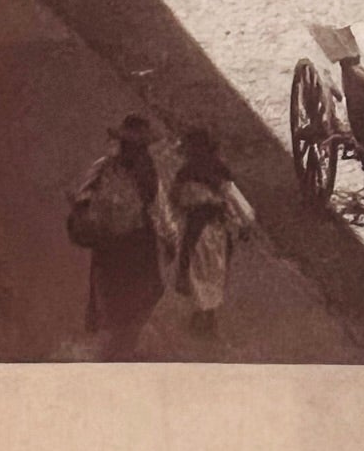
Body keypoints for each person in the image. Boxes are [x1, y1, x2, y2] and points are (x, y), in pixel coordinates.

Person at [72, 116, 177, 359]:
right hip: (139, 247)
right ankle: (122, 349)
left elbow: (82, 195)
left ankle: (117, 345)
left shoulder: (104, 166)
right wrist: (172, 240)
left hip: (109, 248)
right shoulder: (147, 173)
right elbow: (161, 212)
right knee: (142, 296)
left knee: (111, 296)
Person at [170, 127, 254, 341]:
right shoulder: (220, 173)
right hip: (219, 231)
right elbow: (236, 203)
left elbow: (176, 200)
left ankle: (204, 316)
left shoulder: (186, 174)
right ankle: (206, 316)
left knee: (198, 272)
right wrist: (243, 225)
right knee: (214, 272)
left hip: (197, 232)